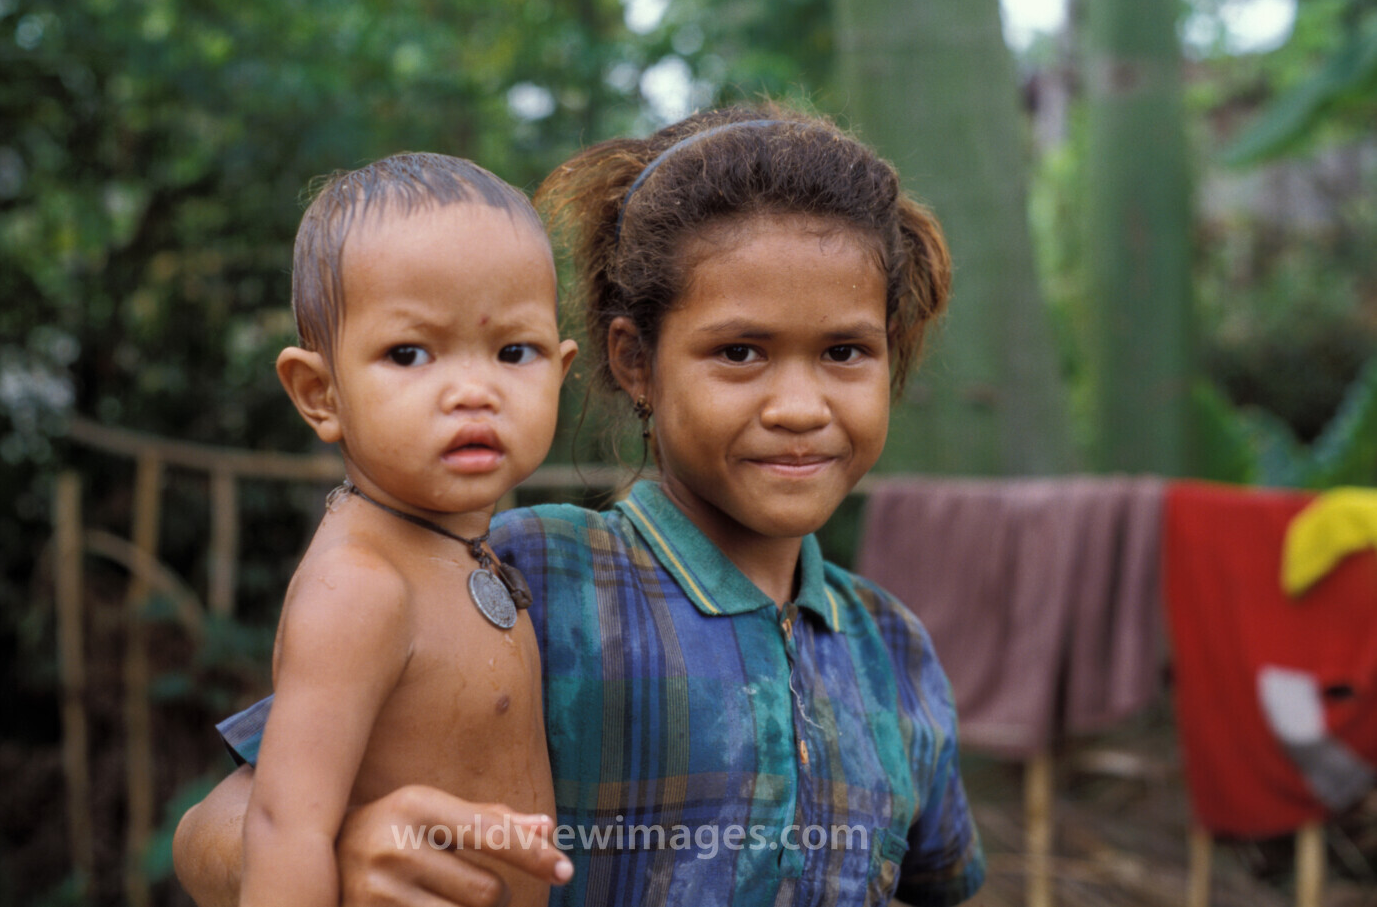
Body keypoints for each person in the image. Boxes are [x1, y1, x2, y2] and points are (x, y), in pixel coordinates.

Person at [175, 105, 985, 907]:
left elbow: (941, 885)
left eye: (845, 352)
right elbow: (225, 820)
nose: (801, 406)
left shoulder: (893, 651)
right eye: (740, 352)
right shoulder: (520, 577)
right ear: (635, 360)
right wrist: (353, 848)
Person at [233, 152, 579, 907]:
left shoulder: (465, 545)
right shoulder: (362, 585)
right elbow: (284, 828)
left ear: (561, 369)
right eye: (409, 353)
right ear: (320, 393)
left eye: (513, 351)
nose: (473, 391)